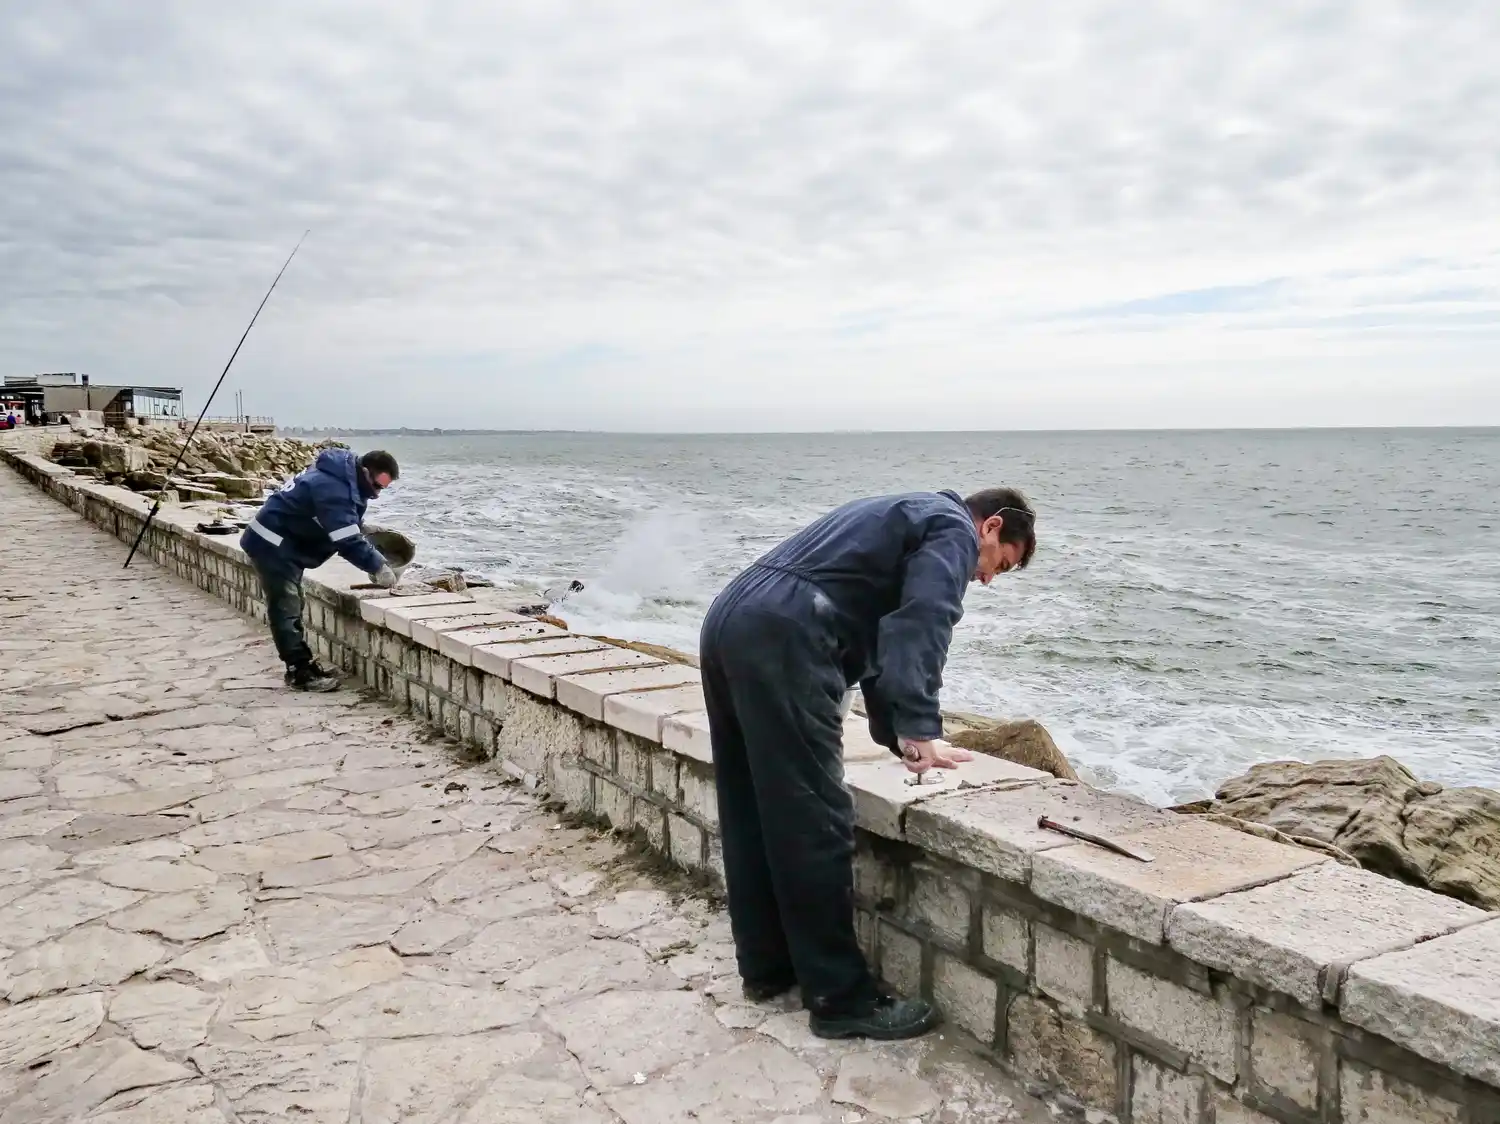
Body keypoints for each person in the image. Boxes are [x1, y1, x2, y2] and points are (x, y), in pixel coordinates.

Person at [700, 486, 1037, 1040]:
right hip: (789, 633)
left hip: (734, 618)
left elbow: (883, 638)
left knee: (752, 806)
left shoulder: (904, 513)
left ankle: (767, 967)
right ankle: (840, 1000)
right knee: (817, 820)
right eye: (1000, 564)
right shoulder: (952, 526)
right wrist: (923, 724)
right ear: (992, 526)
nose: (988, 579)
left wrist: (898, 738)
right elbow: (924, 620)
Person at [241, 448, 401, 691]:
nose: (377, 494)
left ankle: (301, 663)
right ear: (365, 471)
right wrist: (378, 566)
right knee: (286, 605)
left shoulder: (341, 475)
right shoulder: (333, 487)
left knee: (293, 601)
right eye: (377, 486)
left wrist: (361, 527)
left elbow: (334, 516)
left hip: (283, 540)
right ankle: (299, 671)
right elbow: (345, 539)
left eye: (383, 489)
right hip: (271, 544)